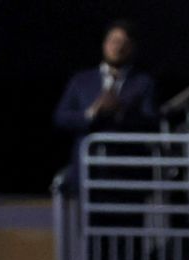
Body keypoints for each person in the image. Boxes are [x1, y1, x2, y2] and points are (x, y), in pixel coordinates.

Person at [53, 20, 159, 174]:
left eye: (124, 42)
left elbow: (151, 121)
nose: (118, 47)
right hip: (86, 171)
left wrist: (120, 112)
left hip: (126, 172)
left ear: (132, 47)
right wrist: (91, 113)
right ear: (104, 44)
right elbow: (60, 117)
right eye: (113, 41)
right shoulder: (81, 80)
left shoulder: (143, 82)